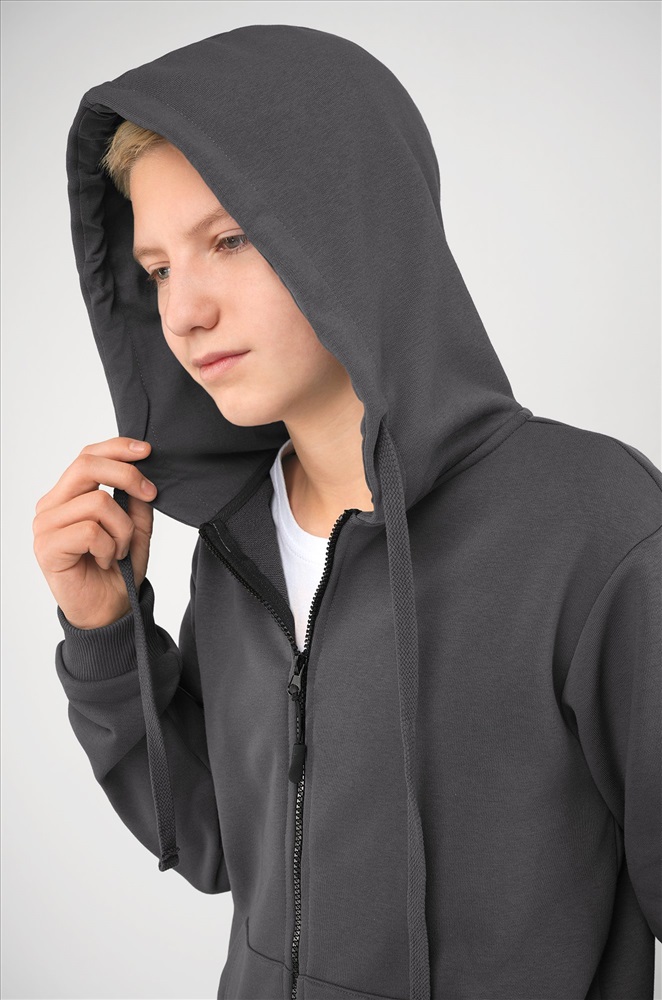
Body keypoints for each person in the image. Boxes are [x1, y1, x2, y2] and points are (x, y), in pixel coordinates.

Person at [32, 24, 660, 1000]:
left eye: (229, 240)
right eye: (157, 269)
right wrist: (104, 631)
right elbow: (212, 843)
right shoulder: (237, 541)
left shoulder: (588, 524)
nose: (183, 312)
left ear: (353, 224)